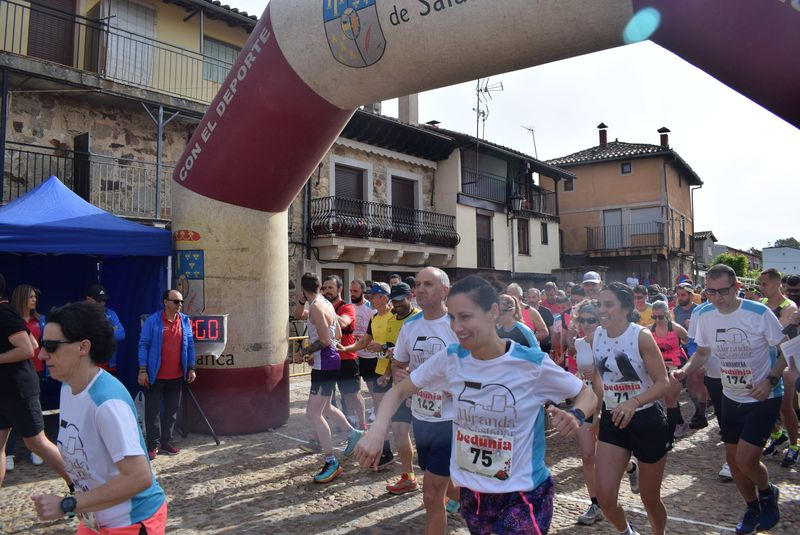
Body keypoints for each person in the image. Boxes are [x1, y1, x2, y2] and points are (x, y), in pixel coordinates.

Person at [355, 275, 597, 535]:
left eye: (466, 317)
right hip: (473, 493)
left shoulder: (530, 363)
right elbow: (399, 391)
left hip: (524, 494)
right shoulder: (451, 358)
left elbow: (587, 395)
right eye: (453, 318)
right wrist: (378, 430)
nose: (457, 327)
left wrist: (576, 414)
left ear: (493, 312)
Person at [31, 302, 167, 533]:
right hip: (96, 520)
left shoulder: (107, 403)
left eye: (51, 346)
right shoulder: (68, 388)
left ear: (83, 347)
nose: (42, 354)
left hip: (131, 523)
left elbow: (139, 477)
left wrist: (68, 504)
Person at [673, 264, 786, 534]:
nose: (716, 298)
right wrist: (684, 371)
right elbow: (701, 352)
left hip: (764, 395)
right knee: (734, 463)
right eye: (710, 292)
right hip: (729, 394)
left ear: (736, 287)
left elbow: (786, 352)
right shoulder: (705, 315)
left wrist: (769, 380)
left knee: (747, 460)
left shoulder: (759, 313)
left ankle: (767, 492)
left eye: (722, 291)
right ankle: (752, 507)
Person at [592, 282, 671, 535]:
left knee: (649, 498)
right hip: (613, 419)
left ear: (625, 309)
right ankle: (628, 533)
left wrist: (634, 401)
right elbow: (598, 375)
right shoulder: (597, 334)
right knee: (604, 497)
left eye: (608, 304)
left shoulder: (641, 337)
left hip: (646, 419)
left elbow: (663, 383)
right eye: (599, 304)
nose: (601, 310)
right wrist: (596, 407)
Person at [390, 267, 460, 531]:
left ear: (444, 290)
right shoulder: (410, 326)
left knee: (431, 494)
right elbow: (398, 364)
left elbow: (479, 365)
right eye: (417, 284)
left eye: (427, 284)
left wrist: (457, 389)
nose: (419, 289)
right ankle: (471, 501)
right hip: (421, 417)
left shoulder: (457, 324)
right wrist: (402, 377)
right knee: (438, 477)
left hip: (452, 419)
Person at [0, 272, 72, 491]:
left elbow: (28, 348)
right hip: (4, 389)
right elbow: (31, 339)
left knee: (36, 442)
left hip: (18, 388)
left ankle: (77, 486)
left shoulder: (4, 312)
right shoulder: (9, 313)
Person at [293, 273, 363, 483]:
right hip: (329, 362)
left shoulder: (316, 306)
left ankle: (332, 461)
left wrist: (304, 351)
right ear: (319, 287)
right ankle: (353, 433)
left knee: (313, 414)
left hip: (325, 364)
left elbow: (324, 340)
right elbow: (338, 336)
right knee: (324, 408)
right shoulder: (326, 304)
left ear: (303, 289)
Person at [340, 282, 397, 468]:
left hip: (400, 371)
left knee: (403, 414)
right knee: (382, 412)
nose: (369, 299)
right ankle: (386, 451)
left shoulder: (395, 316)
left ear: (384, 297)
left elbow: (401, 344)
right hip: (381, 370)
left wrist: (384, 348)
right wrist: (346, 347)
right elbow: (365, 341)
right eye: (369, 295)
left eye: (372, 296)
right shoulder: (375, 318)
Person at [137, 289, 196, 460]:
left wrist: (191, 368)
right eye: (176, 301)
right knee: (153, 412)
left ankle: (167, 441)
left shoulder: (185, 321)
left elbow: (190, 345)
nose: (180, 305)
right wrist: (142, 370)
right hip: (155, 376)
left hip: (177, 376)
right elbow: (143, 345)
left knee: (171, 411)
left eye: (181, 302)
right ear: (165, 302)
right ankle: (153, 445)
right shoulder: (153, 321)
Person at [758, 268, 799, 467]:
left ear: (776, 284)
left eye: (764, 284)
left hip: (786, 362)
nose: (760, 287)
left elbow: (774, 335)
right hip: (765, 360)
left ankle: (794, 445)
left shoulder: (788, 307)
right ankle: (778, 435)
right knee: (761, 402)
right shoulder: (763, 304)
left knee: (785, 406)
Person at [571, 300, 606, 526]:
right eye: (582, 320)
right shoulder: (578, 343)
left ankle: (630, 467)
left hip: (609, 403)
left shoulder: (610, 341)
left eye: (591, 320)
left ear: (600, 320)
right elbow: (579, 371)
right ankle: (596, 504)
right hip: (587, 402)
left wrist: (601, 408)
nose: (586, 324)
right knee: (587, 455)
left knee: (608, 456)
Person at [7, 285, 47, 468]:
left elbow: (43, 345)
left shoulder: (40, 320)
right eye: (30, 297)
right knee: (10, 415)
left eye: (35, 297)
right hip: (15, 373)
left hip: (35, 371)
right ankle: (9, 452)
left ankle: (36, 450)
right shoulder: (10, 319)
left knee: (34, 413)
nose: (34, 300)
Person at [649, 300, 690, 438]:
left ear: (667, 314)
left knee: (670, 397)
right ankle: (680, 423)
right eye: (654, 317)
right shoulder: (650, 330)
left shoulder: (676, 328)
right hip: (660, 366)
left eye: (660, 317)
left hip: (676, 365)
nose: (657, 320)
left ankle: (670, 432)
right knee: (667, 399)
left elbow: (688, 341)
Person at [85, 285, 125, 372]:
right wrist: (110, 330)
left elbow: (121, 334)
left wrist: (99, 333)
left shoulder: (111, 314)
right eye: (98, 300)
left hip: (109, 366)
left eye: (104, 300)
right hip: (88, 366)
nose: (102, 303)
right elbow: (85, 337)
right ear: (88, 299)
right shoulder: (81, 315)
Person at [527, 287, 554, 354]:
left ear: (539, 298)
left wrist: (553, 348)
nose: (531, 300)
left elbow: (552, 331)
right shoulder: (524, 311)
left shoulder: (546, 312)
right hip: (529, 347)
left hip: (545, 347)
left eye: (533, 297)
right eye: (529, 297)